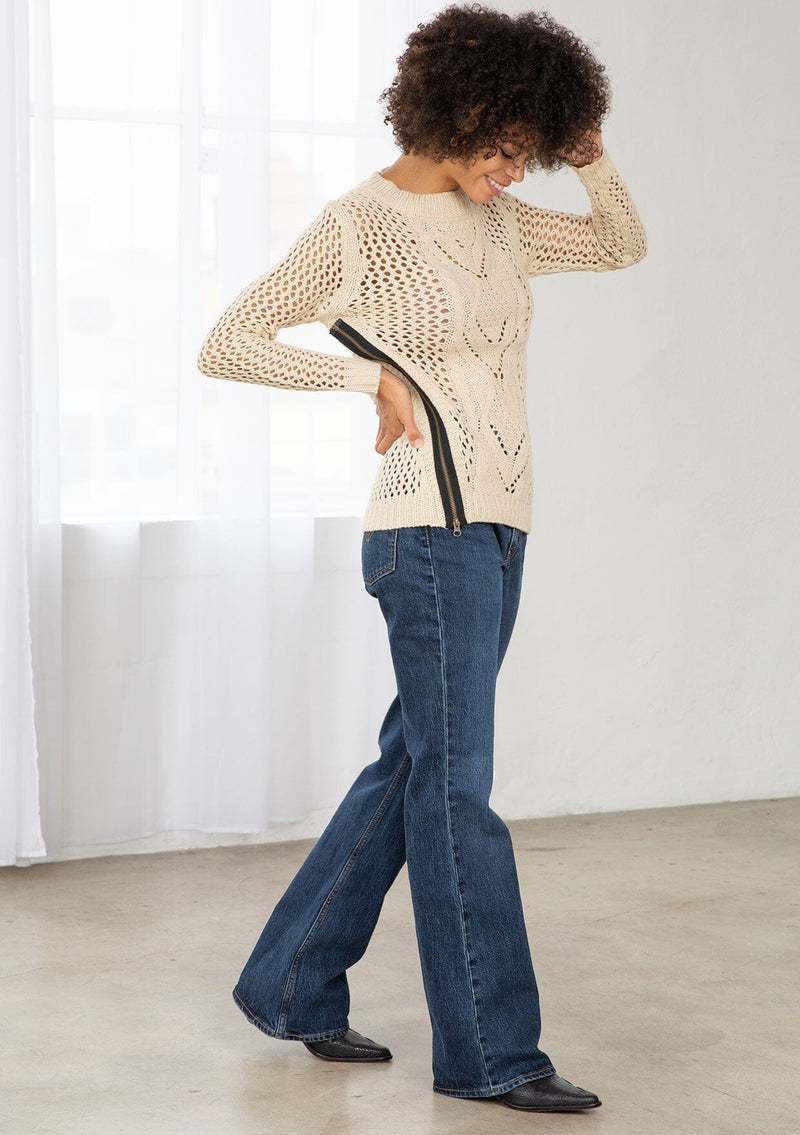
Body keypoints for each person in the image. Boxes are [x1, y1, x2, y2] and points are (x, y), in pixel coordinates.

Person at [197, 2, 647, 1114]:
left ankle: (291, 980)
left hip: (501, 524)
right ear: (461, 107)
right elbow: (228, 341)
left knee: (413, 766)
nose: (513, 171)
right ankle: (491, 1051)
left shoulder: (499, 220)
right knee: (459, 789)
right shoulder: (360, 227)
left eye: (531, 151)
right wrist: (369, 380)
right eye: (507, 147)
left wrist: (594, 165)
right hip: (424, 531)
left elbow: (618, 245)